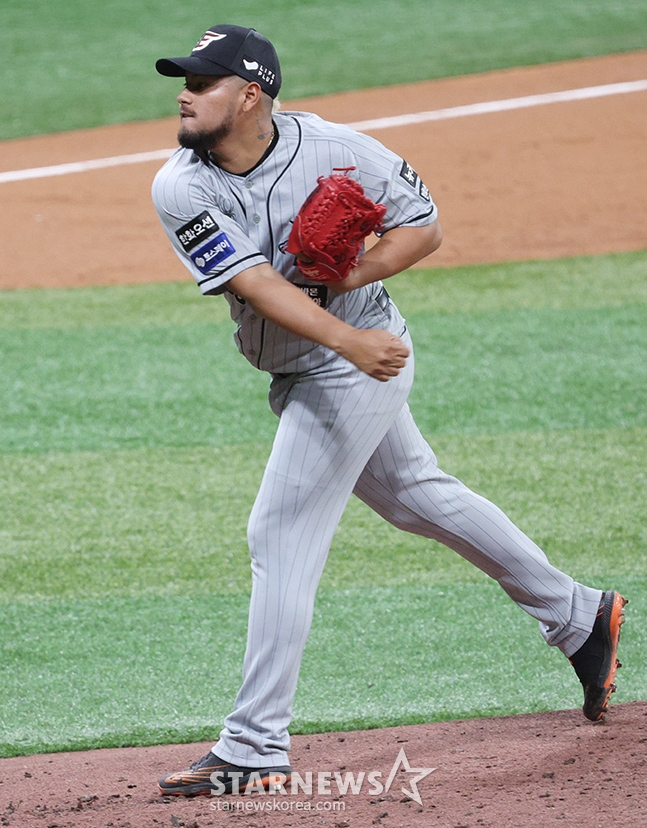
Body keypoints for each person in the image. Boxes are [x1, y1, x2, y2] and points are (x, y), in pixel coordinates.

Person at [151, 24, 626, 797]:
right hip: (331, 354)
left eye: (202, 83)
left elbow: (422, 227)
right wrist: (343, 330)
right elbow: (255, 284)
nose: (184, 95)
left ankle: (253, 746)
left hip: (355, 367)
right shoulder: (181, 186)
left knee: (279, 533)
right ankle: (577, 614)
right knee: (414, 495)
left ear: (250, 95)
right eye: (184, 81)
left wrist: (352, 282)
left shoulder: (338, 150)